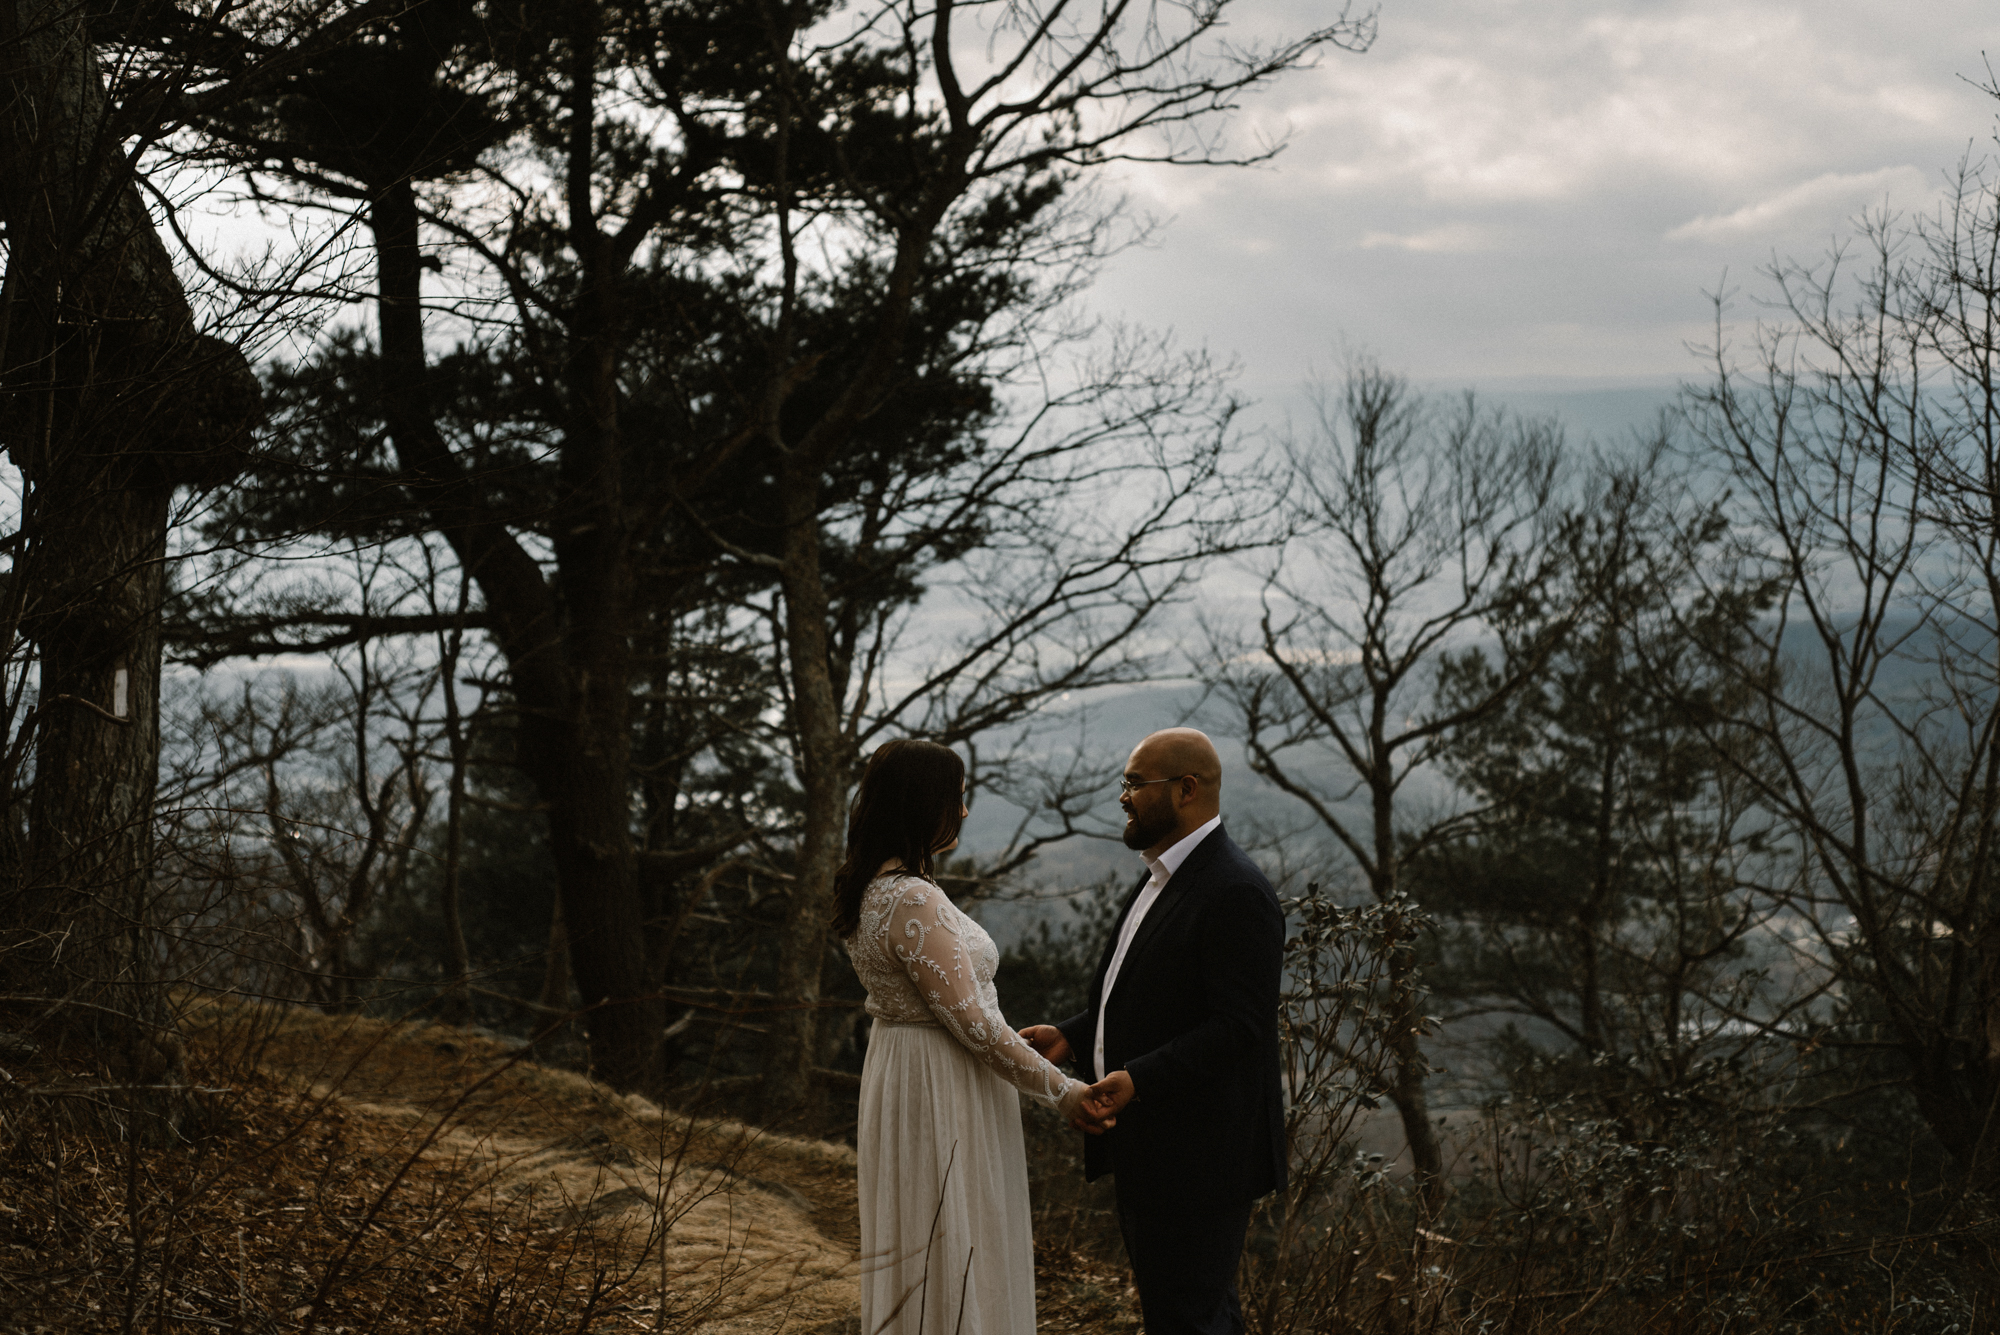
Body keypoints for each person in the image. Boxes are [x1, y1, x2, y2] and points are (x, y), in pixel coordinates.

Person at [837, 738, 1120, 1335]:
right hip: (940, 1086)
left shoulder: (876, 889)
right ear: (924, 804)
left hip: (907, 1071)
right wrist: (1065, 1091)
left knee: (933, 1235)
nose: (964, 811)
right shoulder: (910, 898)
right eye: (957, 797)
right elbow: (979, 1029)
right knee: (954, 1237)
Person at [1019, 727, 1286, 1335]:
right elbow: (1148, 997)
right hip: (1157, 1145)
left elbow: (1240, 1025)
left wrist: (1138, 1078)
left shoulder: (1236, 891)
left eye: (1136, 783)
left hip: (1201, 1155)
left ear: (1186, 789)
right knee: (1194, 1313)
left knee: (1187, 1318)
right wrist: (1075, 1036)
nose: (1124, 796)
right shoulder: (1164, 875)